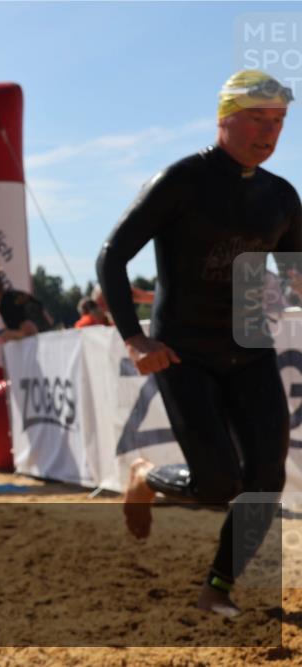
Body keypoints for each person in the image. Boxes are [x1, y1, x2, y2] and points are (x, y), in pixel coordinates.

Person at [96, 70, 300, 617]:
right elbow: (112, 256)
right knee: (216, 483)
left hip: (251, 350)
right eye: (258, 118)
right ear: (225, 118)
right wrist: (135, 338)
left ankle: (218, 585)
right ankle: (145, 477)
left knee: (265, 480)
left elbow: (295, 275)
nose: (269, 132)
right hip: (183, 351)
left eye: (278, 122)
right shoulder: (183, 180)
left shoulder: (281, 195)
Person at [0, 267, 54, 340]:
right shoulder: (19, 294)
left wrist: (8, 335)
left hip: (38, 345)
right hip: (50, 338)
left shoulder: (4, 306)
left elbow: (30, 330)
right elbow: (48, 319)